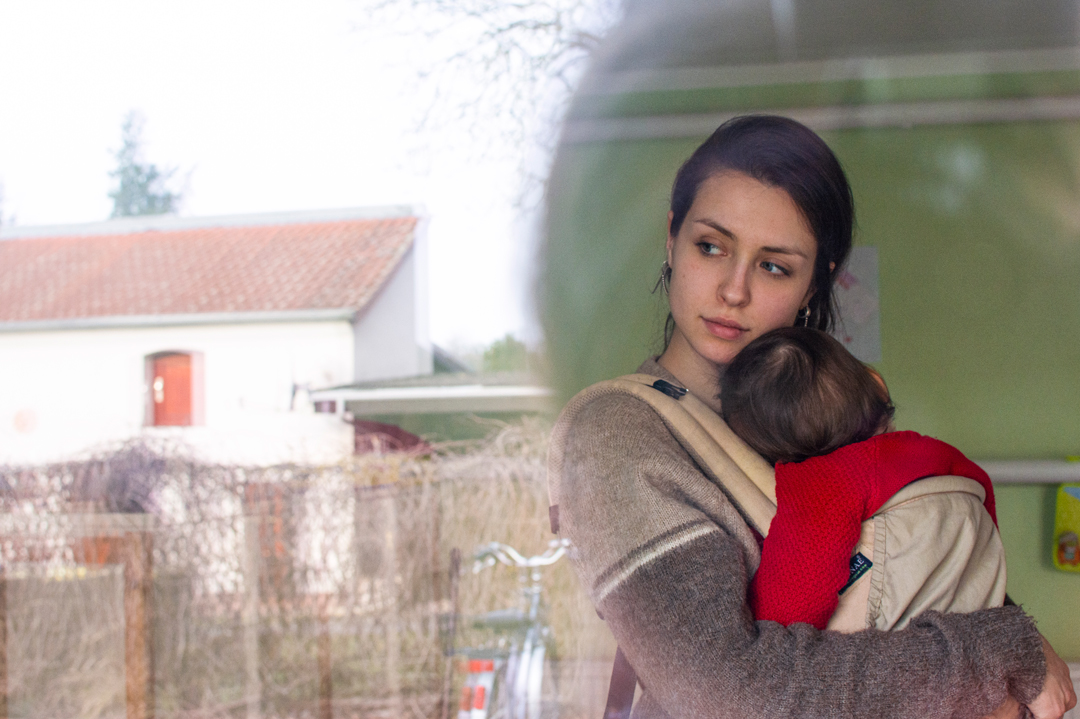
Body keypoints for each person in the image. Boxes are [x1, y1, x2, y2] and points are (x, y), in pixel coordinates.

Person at [552, 115, 1076, 719]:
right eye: (711, 247)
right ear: (671, 239)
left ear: (815, 283)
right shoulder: (620, 432)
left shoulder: (819, 419)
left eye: (774, 265)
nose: (733, 289)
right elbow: (726, 693)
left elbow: (919, 578)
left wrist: (1000, 634)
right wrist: (997, 649)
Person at [719, 326, 1003, 631]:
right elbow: (982, 499)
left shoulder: (822, 482)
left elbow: (788, 614)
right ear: (877, 384)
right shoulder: (936, 453)